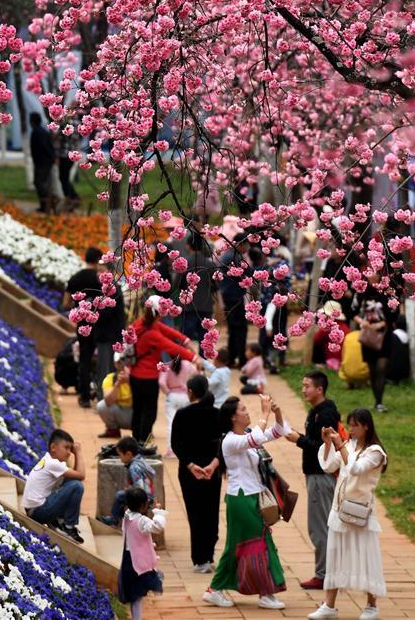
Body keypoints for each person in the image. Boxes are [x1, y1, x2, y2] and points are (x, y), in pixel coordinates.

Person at [203, 394, 289, 610]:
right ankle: (266, 593)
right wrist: (264, 413)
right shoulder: (231, 441)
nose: (246, 412)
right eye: (242, 410)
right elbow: (256, 439)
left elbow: (277, 431)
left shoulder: (247, 435)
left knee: (236, 546)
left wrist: (276, 412)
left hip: (249, 497)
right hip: (240, 499)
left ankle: (214, 590)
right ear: (233, 418)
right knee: (261, 542)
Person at [308, 409, 387, 620]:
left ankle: (372, 606)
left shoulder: (376, 452)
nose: (350, 429)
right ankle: (329, 605)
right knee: (334, 556)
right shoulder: (349, 445)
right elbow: (327, 465)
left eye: (354, 425)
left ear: (366, 426)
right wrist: (327, 443)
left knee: (366, 557)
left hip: (361, 513)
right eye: (349, 425)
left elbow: (356, 468)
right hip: (339, 510)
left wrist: (340, 444)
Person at [285, 372, 340, 591]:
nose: (303, 389)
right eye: (302, 385)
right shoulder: (316, 411)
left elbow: (323, 447)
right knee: (323, 525)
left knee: (319, 527)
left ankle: (323, 574)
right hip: (315, 475)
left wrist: (299, 440)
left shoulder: (325, 415)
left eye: (307, 386)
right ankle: (329, 571)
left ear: (320, 389)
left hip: (320, 475)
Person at [171, 375, 222, 573]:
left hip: (190, 472)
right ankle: (208, 555)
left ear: (190, 391)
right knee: (211, 512)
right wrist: (214, 465)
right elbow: (221, 443)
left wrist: (191, 465)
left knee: (196, 514)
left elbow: (176, 444)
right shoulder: (216, 414)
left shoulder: (183, 414)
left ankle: (200, 559)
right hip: (212, 471)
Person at [63, 246, 126, 407]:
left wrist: (79, 309)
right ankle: (100, 393)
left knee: (85, 359)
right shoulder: (103, 282)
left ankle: (85, 395)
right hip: (100, 326)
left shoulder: (76, 278)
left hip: (85, 325)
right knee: (103, 363)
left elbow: (66, 302)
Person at [129, 296, 197, 444]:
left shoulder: (141, 324)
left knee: (137, 409)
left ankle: (136, 440)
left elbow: (167, 331)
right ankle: (143, 442)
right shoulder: (152, 333)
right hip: (148, 377)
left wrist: (185, 340)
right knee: (149, 413)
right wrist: (193, 358)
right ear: (159, 313)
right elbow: (170, 346)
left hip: (134, 375)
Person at [22, 428, 85, 543]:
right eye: (66, 447)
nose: (69, 452)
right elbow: (81, 475)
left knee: (72, 483)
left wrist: (75, 455)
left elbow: (75, 476)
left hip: (35, 509)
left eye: (71, 449)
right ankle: (68, 526)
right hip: (38, 512)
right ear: (53, 447)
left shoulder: (50, 460)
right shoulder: (52, 464)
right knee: (77, 486)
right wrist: (79, 452)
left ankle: (60, 521)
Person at [118, 486, 166, 620]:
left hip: (128, 560)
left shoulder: (126, 515)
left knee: (135, 597)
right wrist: (158, 512)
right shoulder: (142, 521)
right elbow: (158, 526)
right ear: (143, 506)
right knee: (139, 594)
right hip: (139, 564)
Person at [174, 231, 217, 350]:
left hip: (188, 307)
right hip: (206, 305)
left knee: (185, 339)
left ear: (188, 245)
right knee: (205, 341)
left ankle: (184, 364)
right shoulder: (210, 264)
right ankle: (203, 364)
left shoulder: (184, 263)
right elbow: (215, 286)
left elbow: (177, 284)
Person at [99, 436, 155, 524]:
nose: (120, 459)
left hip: (144, 497)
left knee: (119, 495)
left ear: (128, 454)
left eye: (120, 455)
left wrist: (129, 490)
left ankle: (114, 519)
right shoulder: (141, 460)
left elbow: (139, 488)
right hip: (150, 494)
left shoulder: (134, 468)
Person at [356, 301, 394, 414]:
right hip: (368, 336)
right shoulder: (361, 294)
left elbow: (394, 313)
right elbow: (353, 311)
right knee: (372, 370)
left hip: (385, 336)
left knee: (381, 368)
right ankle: (377, 401)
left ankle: (379, 402)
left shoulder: (388, 293)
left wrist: (383, 323)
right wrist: (362, 322)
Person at [219, 234, 250, 368]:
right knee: (240, 329)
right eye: (246, 245)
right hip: (235, 298)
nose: (247, 248)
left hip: (229, 296)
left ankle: (231, 359)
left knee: (233, 330)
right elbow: (248, 273)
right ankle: (241, 359)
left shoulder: (228, 255)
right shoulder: (235, 257)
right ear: (240, 244)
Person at [158, 354, 192, 457]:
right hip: (185, 396)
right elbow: (197, 372)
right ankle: (185, 448)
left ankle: (171, 450)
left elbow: (161, 382)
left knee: (171, 424)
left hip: (172, 396)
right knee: (185, 424)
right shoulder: (187, 364)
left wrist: (168, 392)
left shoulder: (166, 366)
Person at [97, 351, 132, 438]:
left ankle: (144, 430)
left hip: (134, 412)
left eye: (125, 361)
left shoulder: (137, 377)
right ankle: (113, 430)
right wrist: (118, 384)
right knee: (101, 406)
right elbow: (108, 401)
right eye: (119, 362)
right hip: (120, 412)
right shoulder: (110, 378)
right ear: (115, 364)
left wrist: (130, 381)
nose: (123, 365)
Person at [29, 111, 56, 213]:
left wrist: (51, 157)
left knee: (39, 182)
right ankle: (45, 205)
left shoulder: (37, 132)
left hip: (42, 162)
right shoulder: (42, 131)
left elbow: (45, 147)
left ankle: (47, 202)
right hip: (43, 161)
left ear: (32, 121)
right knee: (41, 182)